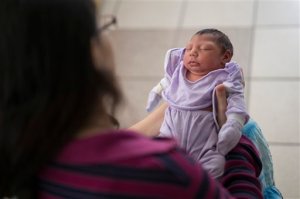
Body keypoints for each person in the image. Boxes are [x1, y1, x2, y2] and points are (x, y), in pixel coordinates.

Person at [0, 0, 263, 198]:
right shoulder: (169, 170)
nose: (192, 55)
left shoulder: (25, 163)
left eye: (203, 50)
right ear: (85, 53)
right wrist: (237, 145)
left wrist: (169, 108)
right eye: (101, 26)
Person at [147, 29, 248, 178]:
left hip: (204, 145)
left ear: (225, 56)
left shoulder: (225, 78)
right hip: (170, 134)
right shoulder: (179, 70)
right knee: (155, 157)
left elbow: (237, 104)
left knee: (217, 164)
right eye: (189, 48)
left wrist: (234, 123)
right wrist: (156, 92)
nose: (192, 53)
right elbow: (167, 81)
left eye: (204, 48)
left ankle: (200, 188)